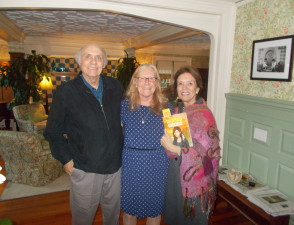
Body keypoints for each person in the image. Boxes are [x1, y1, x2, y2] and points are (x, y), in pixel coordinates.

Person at [44, 43, 124, 225]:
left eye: (98, 57)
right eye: (88, 56)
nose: (93, 62)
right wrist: (66, 159)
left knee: (112, 216)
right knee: (83, 217)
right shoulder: (66, 92)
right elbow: (52, 131)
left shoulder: (116, 87)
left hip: (115, 167)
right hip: (85, 167)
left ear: (104, 63)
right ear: (79, 61)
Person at [160, 66, 220, 225]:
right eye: (180, 84)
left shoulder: (205, 115)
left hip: (194, 177)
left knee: (192, 218)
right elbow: (178, 141)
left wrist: (177, 150)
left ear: (198, 88)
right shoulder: (177, 110)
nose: (184, 88)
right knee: (176, 215)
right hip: (175, 172)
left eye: (189, 84)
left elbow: (209, 154)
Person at [120, 63, 171, 225]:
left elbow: (179, 139)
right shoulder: (124, 106)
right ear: (135, 82)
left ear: (157, 82)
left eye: (151, 78)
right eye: (142, 78)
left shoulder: (167, 107)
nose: (147, 82)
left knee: (155, 212)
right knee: (129, 211)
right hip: (130, 165)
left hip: (158, 165)